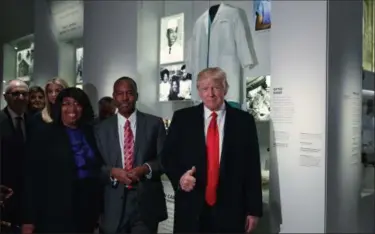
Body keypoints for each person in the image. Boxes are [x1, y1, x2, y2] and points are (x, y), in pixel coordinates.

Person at [161, 67, 263, 233]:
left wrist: (254, 210)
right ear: (199, 91)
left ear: (226, 89)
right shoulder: (182, 118)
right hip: (191, 208)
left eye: (216, 87)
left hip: (231, 210)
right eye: (205, 88)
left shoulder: (244, 121)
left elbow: (252, 167)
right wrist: (180, 178)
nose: (211, 93)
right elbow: (167, 157)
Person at [21, 88, 103, 233]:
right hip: (54, 211)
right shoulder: (44, 134)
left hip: (87, 209)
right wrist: (28, 219)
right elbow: (31, 178)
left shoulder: (91, 133)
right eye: (66, 103)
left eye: (77, 104)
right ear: (59, 106)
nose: (72, 109)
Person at [95, 77, 167, 234]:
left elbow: (165, 159)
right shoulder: (100, 129)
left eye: (129, 93)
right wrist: (112, 172)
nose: (125, 98)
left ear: (137, 95)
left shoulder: (154, 124)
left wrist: (145, 169)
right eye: (120, 94)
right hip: (111, 205)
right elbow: (94, 165)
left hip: (145, 204)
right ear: (114, 97)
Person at [0, 79, 30, 232]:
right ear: (5, 97)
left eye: (24, 94)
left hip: (28, 194)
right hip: (5, 193)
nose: (20, 98)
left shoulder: (33, 121)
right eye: (15, 94)